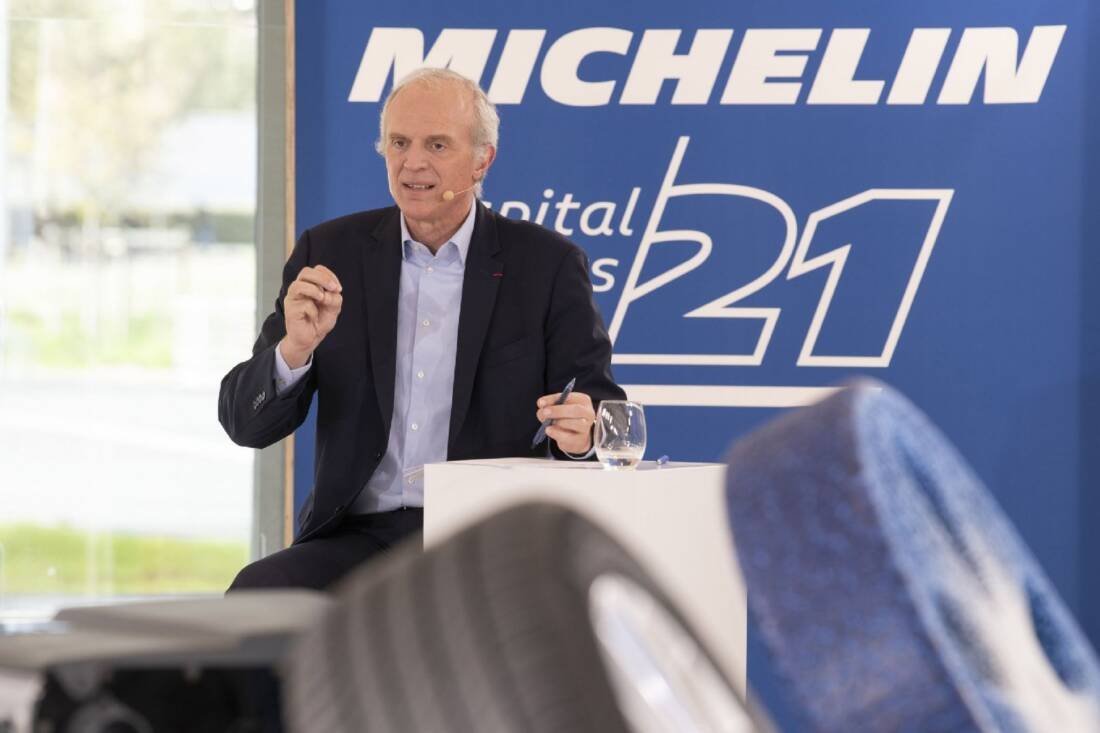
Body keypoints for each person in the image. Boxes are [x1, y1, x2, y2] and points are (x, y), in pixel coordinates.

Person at [219, 68, 625, 590]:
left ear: (483, 159)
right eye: (399, 143)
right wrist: (295, 350)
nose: (413, 163)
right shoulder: (330, 252)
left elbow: (600, 411)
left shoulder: (546, 265)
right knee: (256, 593)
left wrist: (582, 433)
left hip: (487, 539)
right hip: (359, 538)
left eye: (437, 145)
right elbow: (245, 425)